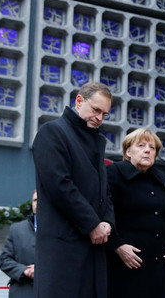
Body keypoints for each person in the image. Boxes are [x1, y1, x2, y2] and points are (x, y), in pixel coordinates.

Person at [31, 81, 115, 298]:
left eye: (104, 114)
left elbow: (104, 191)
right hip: (63, 246)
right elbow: (59, 185)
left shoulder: (97, 141)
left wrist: (107, 222)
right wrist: (92, 224)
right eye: (96, 110)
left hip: (93, 245)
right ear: (79, 101)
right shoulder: (52, 132)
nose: (99, 118)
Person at [106, 128, 165, 297]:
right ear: (128, 151)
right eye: (141, 145)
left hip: (157, 264)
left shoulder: (162, 180)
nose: (147, 150)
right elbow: (104, 212)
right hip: (125, 262)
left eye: (152, 147)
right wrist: (117, 245)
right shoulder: (114, 173)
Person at [0, 191, 37, 298]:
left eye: (41, 200)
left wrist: (42, 269)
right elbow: (4, 260)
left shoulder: (61, 229)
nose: (37, 203)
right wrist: (25, 271)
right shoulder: (17, 229)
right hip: (22, 291)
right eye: (35, 200)